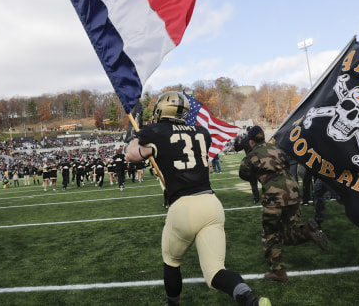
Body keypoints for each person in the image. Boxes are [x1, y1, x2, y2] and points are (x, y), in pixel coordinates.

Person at [125, 91, 269, 306]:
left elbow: (131, 155)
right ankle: (250, 299)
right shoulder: (202, 132)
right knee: (215, 272)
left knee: (172, 261)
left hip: (184, 207)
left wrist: (134, 137)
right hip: (211, 204)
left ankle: (173, 304)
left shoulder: (154, 131)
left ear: (161, 110)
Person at [239, 125, 328, 283]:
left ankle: (279, 273)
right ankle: (308, 231)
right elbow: (287, 164)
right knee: (288, 234)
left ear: (251, 141)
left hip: (274, 195)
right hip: (293, 192)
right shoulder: (277, 149)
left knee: (270, 235)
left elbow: (244, 174)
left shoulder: (252, 155)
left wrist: (259, 171)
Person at [233, 130, 260, 204]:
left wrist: (236, 142)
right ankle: (258, 197)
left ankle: (257, 198)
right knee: (255, 181)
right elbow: (237, 148)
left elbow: (237, 148)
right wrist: (236, 142)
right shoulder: (252, 139)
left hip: (255, 162)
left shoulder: (247, 140)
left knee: (256, 181)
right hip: (256, 162)